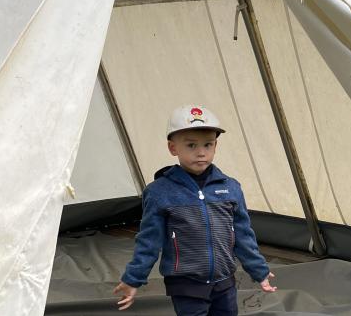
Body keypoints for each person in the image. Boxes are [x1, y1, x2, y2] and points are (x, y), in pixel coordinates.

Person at [113, 105, 277, 315]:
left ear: (215, 146)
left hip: (225, 283)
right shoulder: (159, 192)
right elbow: (148, 241)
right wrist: (133, 279)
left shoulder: (231, 188)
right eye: (191, 145)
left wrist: (259, 270)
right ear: (173, 148)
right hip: (185, 285)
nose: (201, 152)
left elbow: (244, 236)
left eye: (208, 145)